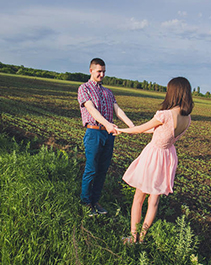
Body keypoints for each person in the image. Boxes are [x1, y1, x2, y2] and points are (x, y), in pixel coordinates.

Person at [116, 77, 194, 243]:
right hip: (168, 157)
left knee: (138, 198)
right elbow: (159, 132)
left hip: (154, 156)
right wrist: (134, 129)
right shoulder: (187, 119)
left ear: (173, 92)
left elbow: (142, 129)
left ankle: (133, 237)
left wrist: (120, 130)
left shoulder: (164, 114)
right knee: (154, 201)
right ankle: (142, 238)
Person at [78, 58, 134, 216]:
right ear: (91, 71)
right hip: (94, 132)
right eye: (99, 71)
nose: (101, 74)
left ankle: (95, 201)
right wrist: (107, 124)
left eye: (104, 72)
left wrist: (132, 126)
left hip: (108, 135)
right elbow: (91, 109)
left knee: (102, 170)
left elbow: (118, 110)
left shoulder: (108, 92)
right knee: (91, 169)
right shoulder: (84, 88)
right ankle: (86, 203)